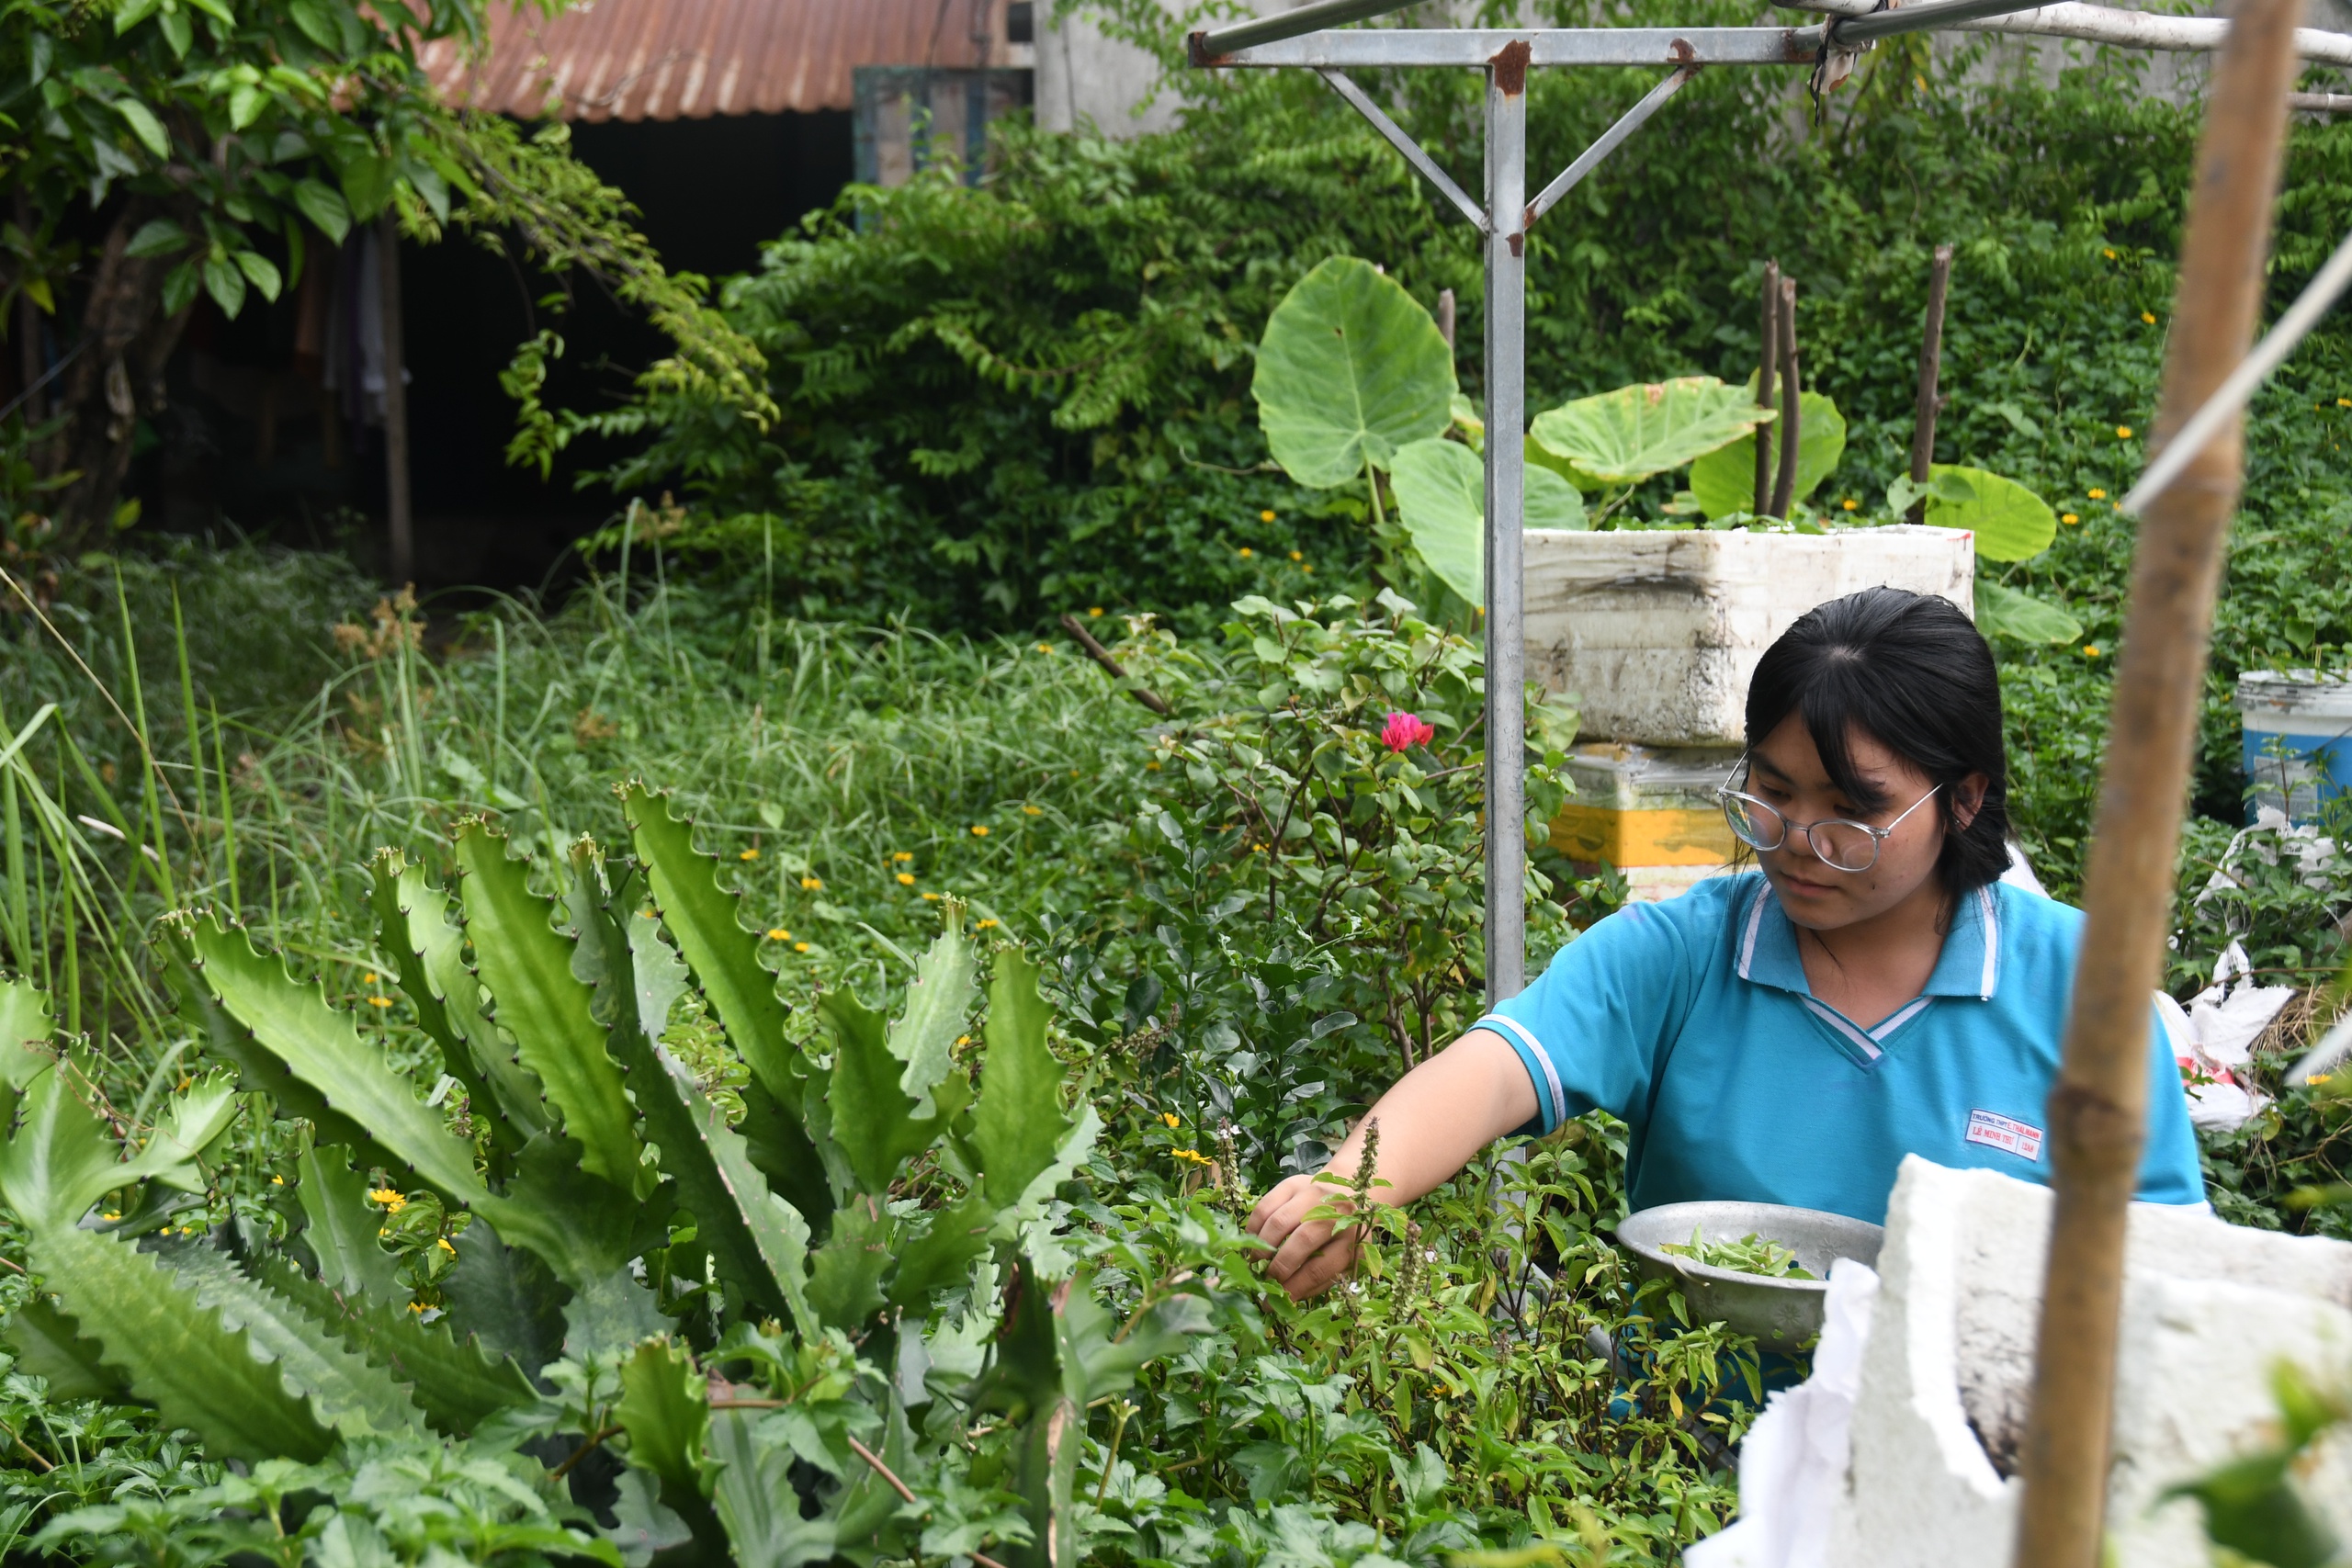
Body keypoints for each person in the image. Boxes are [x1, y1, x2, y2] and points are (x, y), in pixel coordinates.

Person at [1248, 586, 2204, 1301]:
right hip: (1683, 1461)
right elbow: (1498, 1065)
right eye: (1772, 792)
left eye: (1851, 812)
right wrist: (1349, 1186)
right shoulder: (1684, 954)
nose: (1795, 840)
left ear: (1961, 800)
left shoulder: (2082, 990)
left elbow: (2161, 1266)